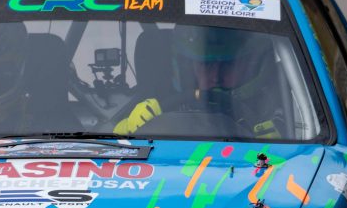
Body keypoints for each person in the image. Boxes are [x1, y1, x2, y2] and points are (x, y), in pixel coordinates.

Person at [114, 25, 283, 138]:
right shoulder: (153, 105)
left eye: (228, 65)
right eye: (206, 65)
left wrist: (274, 144)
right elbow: (108, 142)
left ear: (249, 64)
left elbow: (290, 159)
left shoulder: (282, 106)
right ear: (188, 66)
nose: (215, 76)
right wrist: (129, 126)